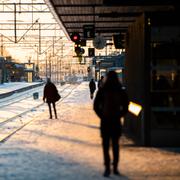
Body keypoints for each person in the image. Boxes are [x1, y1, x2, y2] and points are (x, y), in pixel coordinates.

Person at [93, 71, 129, 177]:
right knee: (115, 145)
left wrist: (102, 115)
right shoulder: (121, 90)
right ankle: (116, 168)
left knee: (105, 145)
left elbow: (95, 106)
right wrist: (120, 115)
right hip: (116, 122)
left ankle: (107, 168)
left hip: (105, 122)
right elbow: (126, 106)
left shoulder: (102, 90)